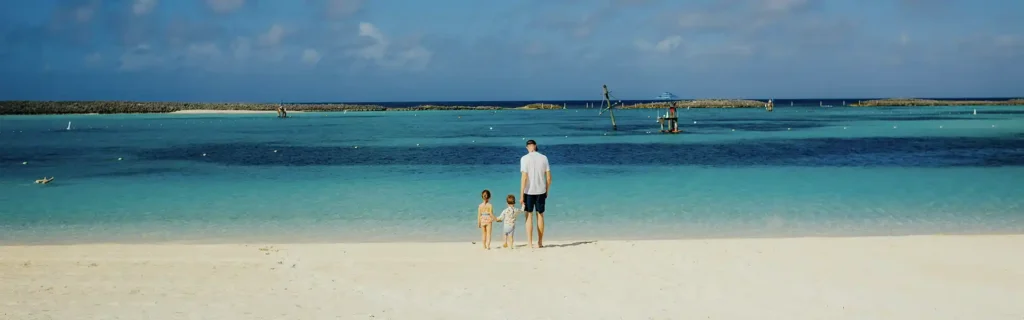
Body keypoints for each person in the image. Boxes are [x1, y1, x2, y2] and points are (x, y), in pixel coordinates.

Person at [520, 139, 551, 248]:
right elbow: (548, 177)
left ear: (527, 147)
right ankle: (540, 242)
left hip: (528, 191)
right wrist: (547, 190)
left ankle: (529, 242)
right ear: (535, 146)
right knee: (540, 215)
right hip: (541, 190)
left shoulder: (524, 159)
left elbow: (524, 177)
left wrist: (521, 195)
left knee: (528, 215)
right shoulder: (544, 158)